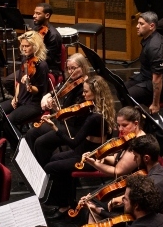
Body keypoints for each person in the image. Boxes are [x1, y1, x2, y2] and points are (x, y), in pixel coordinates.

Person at [41, 76, 117, 218]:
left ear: (96, 93)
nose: (83, 94)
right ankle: (68, 201)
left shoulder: (94, 116)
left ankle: (63, 205)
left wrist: (54, 128)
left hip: (88, 157)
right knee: (55, 158)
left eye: (86, 92)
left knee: (51, 167)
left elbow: (74, 142)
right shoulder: (100, 108)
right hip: (86, 149)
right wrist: (59, 111)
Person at [81, 135, 163, 220]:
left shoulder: (147, 189)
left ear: (146, 158)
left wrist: (98, 211)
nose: (135, 160)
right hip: (158, 220)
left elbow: (125, 220)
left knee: (92, 209)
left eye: (136, 156)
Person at [0, 30, 50, 143]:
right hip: (20, 99)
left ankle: (20, 145)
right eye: (22, 46)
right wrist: (15, 97)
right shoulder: (25, 59)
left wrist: (29, 85)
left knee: (9, 121)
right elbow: (18, 83)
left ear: (35, 46)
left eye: (27, 46)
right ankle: (5, 137)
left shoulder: (42, 65)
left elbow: (38, 91)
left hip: (34, 104)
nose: (24, 48)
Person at [27, 53, 91, 162]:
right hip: (63, 120)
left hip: (73, 126)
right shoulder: (71, 81)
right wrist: (49, 96)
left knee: (41, 143)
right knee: (31, 133)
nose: (70, 72)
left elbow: (73, 115)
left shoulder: (86, 88)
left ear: (83, 67)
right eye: (68, 68)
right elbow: (57, 91)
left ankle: (46, 171)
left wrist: (57, 110)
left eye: (73, 68)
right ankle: (34, 167)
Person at [125, 11, 163, 114]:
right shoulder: (148, 39)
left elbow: (158, 78)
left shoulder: (155, 47)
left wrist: (155, 103)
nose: (137, 26)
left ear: (151, 26)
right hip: (147, 76)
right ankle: (134, 117)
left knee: (130, 95)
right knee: (122, 89)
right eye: (138, 23)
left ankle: (137, 121)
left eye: (141, 24)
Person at [78, 106, 145, 179]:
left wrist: (93, 163)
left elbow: (117, 172)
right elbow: (115, 159)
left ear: (136, 124)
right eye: (119, 125)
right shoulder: (129, 137)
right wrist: (99, 157)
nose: (120, 129)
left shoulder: (139, 143)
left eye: (124, 125)